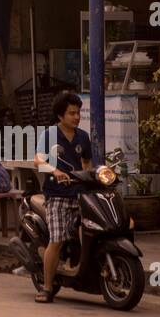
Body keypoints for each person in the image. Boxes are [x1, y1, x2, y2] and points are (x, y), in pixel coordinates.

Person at [36, 91, 94, 303]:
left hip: (80, 194)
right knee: (57, 239)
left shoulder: (83, 137)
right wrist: (55, 171)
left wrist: (91, 177)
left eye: (78, 113)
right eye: (72, 113)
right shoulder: (49, 135)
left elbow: (87, 163)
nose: (76, 117)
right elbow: (39, 161)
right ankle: (47, 287)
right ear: (60, 116)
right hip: (57, 195)